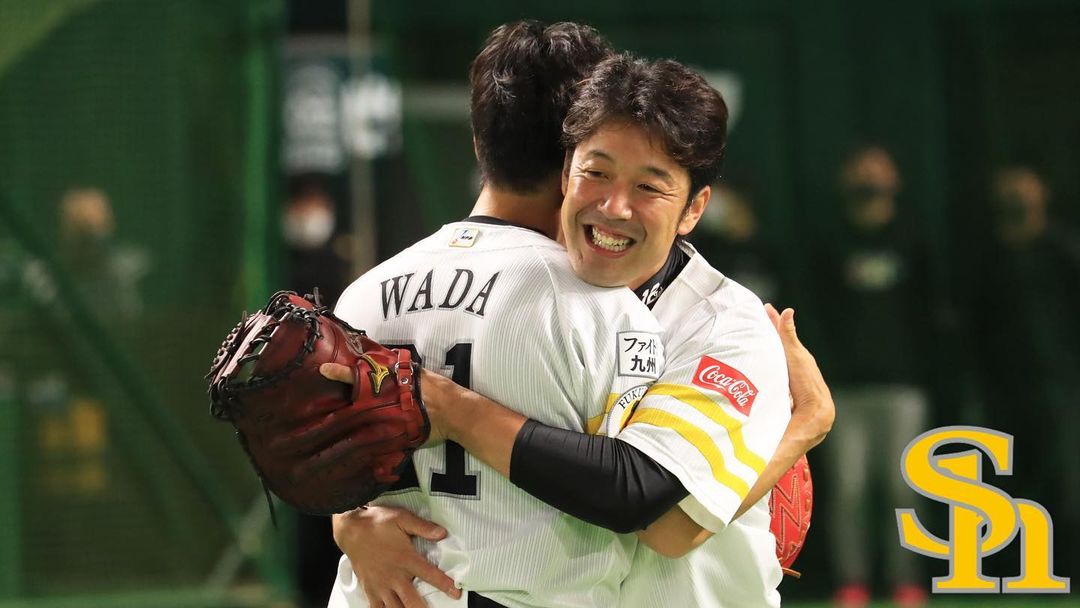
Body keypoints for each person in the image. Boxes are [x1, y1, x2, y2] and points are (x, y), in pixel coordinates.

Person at [328, 49, 832, 608]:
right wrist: (350, 518)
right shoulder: (529, 289)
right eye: (597, 173)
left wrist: (801, 429)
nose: (615, 207)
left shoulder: (724, 324)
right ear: (566, 172)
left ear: (693, 210)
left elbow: (664, 525)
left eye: (650, 187)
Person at [326, 21, 667, 608]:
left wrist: (346, 518)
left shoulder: (361, 297)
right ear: (582, 151)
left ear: (479, 140)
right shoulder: (603, 308)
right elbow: (646, 498)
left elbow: (329, 471)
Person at [818, 145, 931, 608]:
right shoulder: (829, 243)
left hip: (903, 387)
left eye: (878, 170)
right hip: (846, 389)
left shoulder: (913, 240)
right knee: (848, 490)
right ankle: (853, 582)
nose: (869, 179)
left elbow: (931, 316)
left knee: (904, 488)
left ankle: (906, 582)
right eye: (861, 170)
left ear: (895, 180)